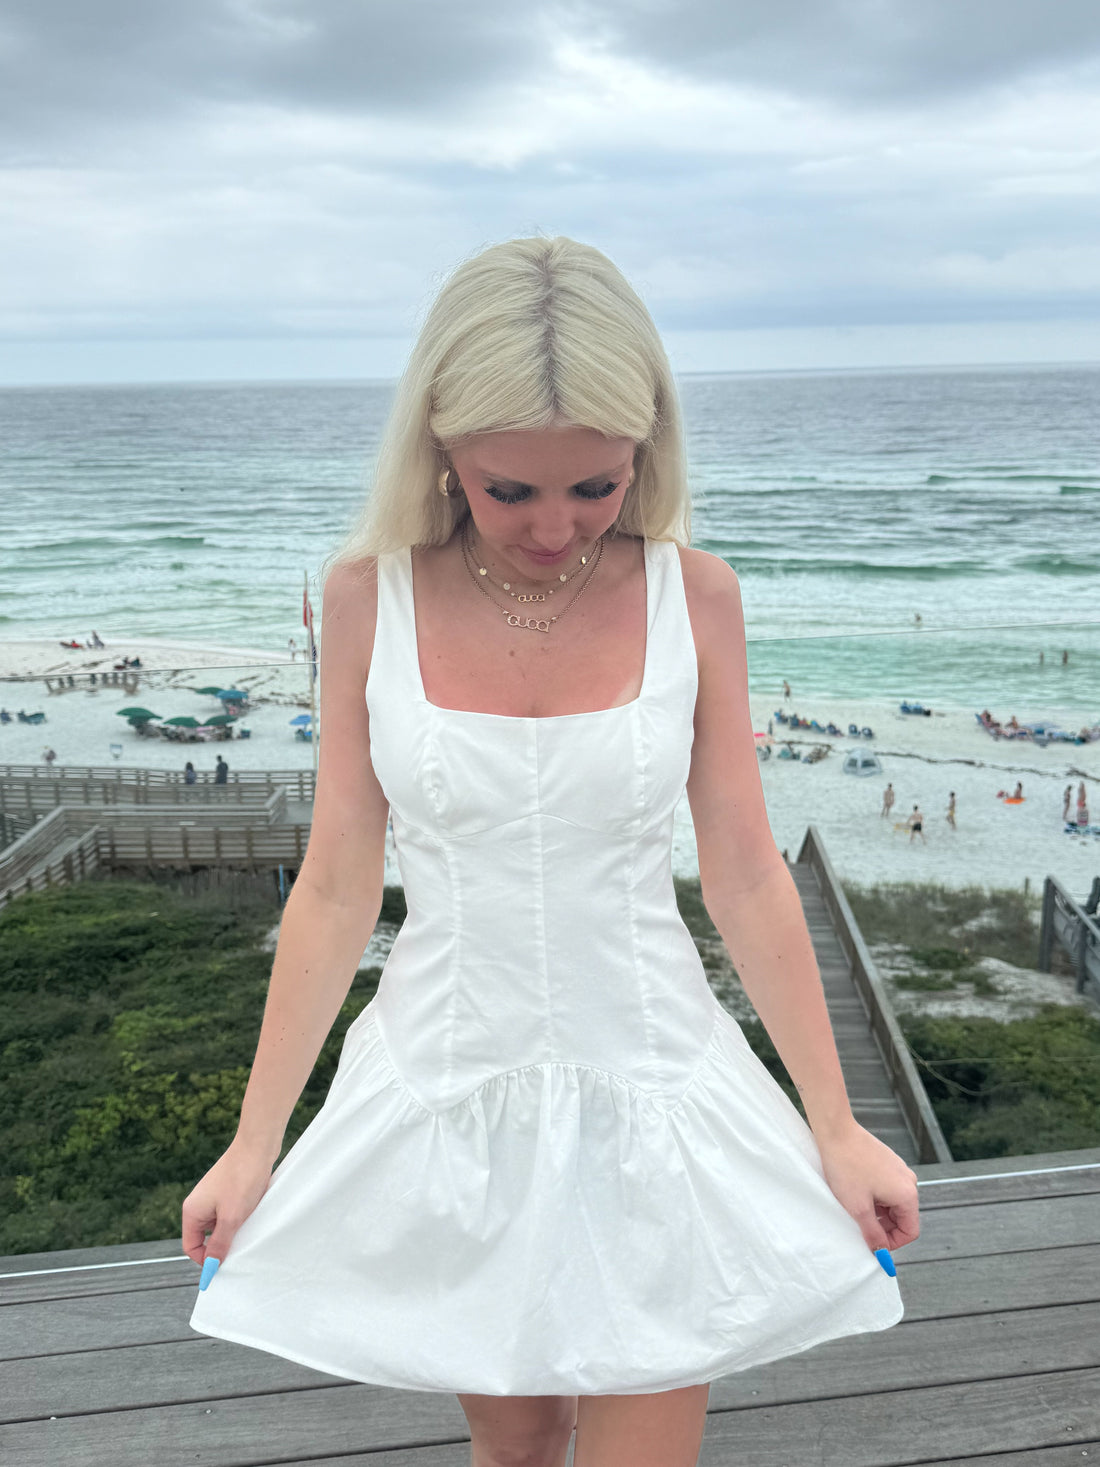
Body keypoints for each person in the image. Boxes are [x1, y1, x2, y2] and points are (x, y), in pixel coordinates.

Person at [183, 237, 915, 1467]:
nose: (554, 526)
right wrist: (254, 1146)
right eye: (507, 489)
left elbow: (741, 869)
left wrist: (834, 1123)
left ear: (645, 452)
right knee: (517, 1450)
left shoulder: (701, 597)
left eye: (595, 486)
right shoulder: (369, 597)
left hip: (655, 1086)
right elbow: (336, 884)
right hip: (448, 1087)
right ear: (441, 453)